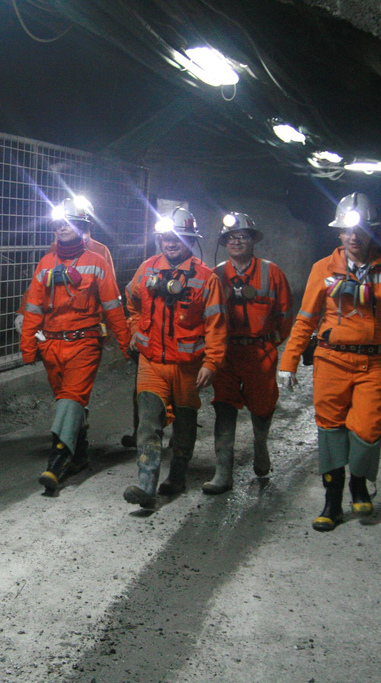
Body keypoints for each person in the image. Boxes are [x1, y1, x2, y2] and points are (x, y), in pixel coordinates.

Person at [279, 192, 381, 532]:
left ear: (372, 231)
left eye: (360, 230)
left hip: (374, 362)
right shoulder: (323, 270)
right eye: (346, 230)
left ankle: (359, 483)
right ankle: (332, 502)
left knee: (369, 427)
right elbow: (306, 319)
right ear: (339, 234)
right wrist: (289, 361)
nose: (353, 236)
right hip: (331, 361)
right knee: (330, 430)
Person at [20, 196, 131, 491]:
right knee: (68, 402)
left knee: (70, 398)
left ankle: (57, 463)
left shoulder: (97, 262)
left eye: (68, 224)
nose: (61, 228)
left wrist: (126, 343)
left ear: (82, 227)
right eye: (58, 224)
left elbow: (113, 307)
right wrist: (28, 347)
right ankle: (80, 454)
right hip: (51, 346)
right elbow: (33, 308)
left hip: (84, 343)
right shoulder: (45, 263)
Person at [123, 207, 228, 509]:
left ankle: (178, 475)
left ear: (191, 240)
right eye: (166, 238)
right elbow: (130, 300)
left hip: (187, 366)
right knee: (148, 422)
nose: (170, 243)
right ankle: (146, 484)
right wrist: (134, 329)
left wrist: (211, 363)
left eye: (178, 238)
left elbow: (216, 327)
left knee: (184, 424)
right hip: (152, 363)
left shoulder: (206, 279)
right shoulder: (146, 269)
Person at [204, 213, 293, 494]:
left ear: (252, 240)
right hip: (228, 351)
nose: (236, 242)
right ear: (224, 242)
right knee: (224, 405)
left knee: (263, 404)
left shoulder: (271, 272)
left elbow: (286, 312)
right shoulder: (216, 274)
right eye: (231, 238)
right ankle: (223, 472)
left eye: (242, 236)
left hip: (260, 351)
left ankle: (260, 444)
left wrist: (273, 340)